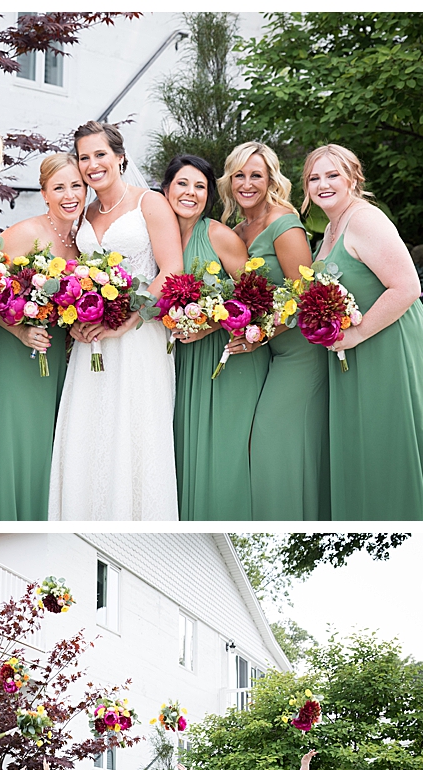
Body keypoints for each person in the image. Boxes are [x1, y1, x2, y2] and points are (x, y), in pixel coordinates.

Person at [303, 144, 423, 520]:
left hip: (394, 346)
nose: (323, 184)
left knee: (395, 446)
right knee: (370, 447)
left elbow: (407, 287)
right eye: (315, 178)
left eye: (332, 175)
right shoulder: (328, 230)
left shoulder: (366, 220)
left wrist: (357, 334)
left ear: (353, 178)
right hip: (359, 350)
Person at [48, 120, 183, 520]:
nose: (92, 164)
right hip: (92, 339)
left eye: (100, 154)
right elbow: (76, 275)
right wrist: (72, 315)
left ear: (120, 158)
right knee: (89, 433)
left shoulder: (149, 203)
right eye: (84, 157)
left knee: (136, 432)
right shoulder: (83, 213)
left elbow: (171, 270)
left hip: (139, 336)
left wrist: (128, 320)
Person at [220, 141, 331, 520]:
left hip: (300, 351)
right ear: (230, 180)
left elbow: (303, 294)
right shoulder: (238, 229)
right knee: (274, 445)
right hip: (270, 352)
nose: (247, 184)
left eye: (256, 175)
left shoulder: (284, 223)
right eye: (240, 176)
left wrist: (258, 335)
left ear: (271, 180)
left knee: (269, 437)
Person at [162, 154, 269, 520]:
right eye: (182, 184)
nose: (190, 193)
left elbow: (256, 297)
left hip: (226, 357)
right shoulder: (158, 237)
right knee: (184, 451)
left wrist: (208, 323)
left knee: (223, 454)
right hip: (180, 361)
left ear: (209, 196)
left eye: (200, 187)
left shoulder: (219, 236)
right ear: (166, 189)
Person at [0, 154, 86, 519]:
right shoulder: (26, 232)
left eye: (76, 185)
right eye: (59, 187)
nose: (69, 194)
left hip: (53, 355)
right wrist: (21, 329)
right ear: (44, 193)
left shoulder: (81, 242)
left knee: (43, 444)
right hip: (13, 351)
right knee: (12, 440)